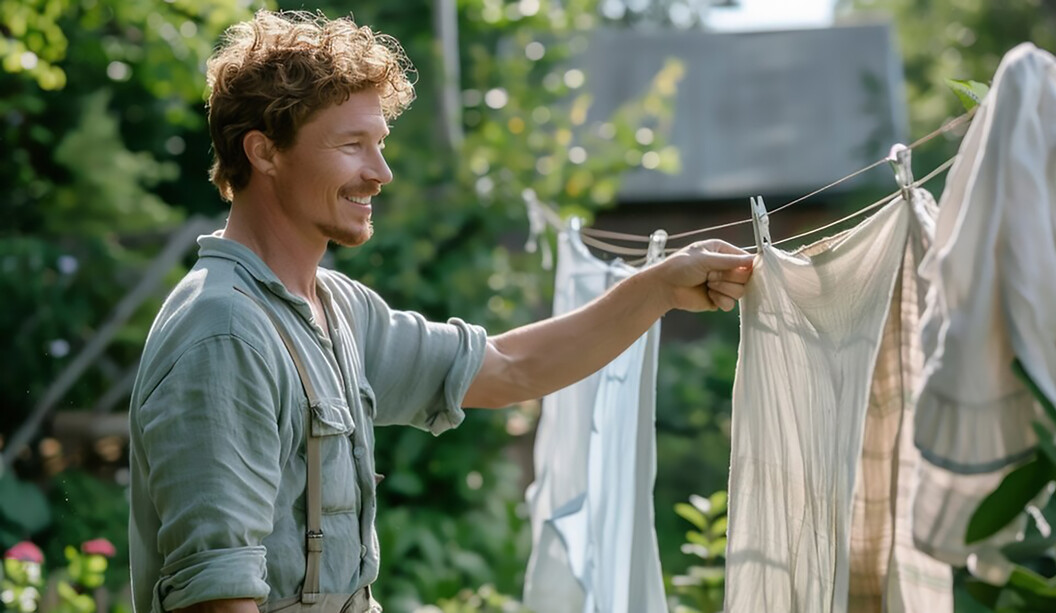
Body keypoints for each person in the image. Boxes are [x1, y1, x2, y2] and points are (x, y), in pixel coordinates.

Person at [127, 9, 754, 613]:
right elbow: (217, 597)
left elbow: (509, 367)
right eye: (352, 145)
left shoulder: (334, 309)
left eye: (380, 144)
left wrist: (660, 289)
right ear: (264, 153)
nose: (381, 173)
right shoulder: (225, 332)